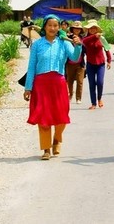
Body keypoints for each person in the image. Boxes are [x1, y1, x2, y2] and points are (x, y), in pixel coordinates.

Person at [23, 14, 81, 160]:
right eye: (50, 25)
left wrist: (78, 45)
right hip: (41, 85)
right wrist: (28, 88)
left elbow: (74, 58)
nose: (53, 28)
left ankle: (57, 139)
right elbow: (31, 67)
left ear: (59, 27)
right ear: (44, 27)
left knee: (61, 117)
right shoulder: (37, 44)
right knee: (43, 118)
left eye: (55, 25)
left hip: (58, 83)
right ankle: (46, 149)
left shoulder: (64, 42)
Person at [80, 19, 112, 110]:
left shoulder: (101, 39)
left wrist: (109, 60)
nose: (93, 30)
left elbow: (107, 49)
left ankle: (99, 98)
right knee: (92, 84)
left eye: (94, 28)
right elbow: (84, 42)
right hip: (90, 64)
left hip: (100, 64)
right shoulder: (86, 39)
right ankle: (93, 103)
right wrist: (94, 36)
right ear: (88, 30)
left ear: (97, 29)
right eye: (91, 28)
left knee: (100, 82)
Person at [65, 22, 86, 104]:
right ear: (72, 29)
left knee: (80, 81)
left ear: (80, 30)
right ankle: (70, 95)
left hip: (80, 64)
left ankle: (78, 98)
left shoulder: (83, 39)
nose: (77, 30)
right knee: (70, 81)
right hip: (70, 63)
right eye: (75, 28)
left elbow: (86, 49)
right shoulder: (68, 38)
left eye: (78, 28)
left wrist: (80, 44)